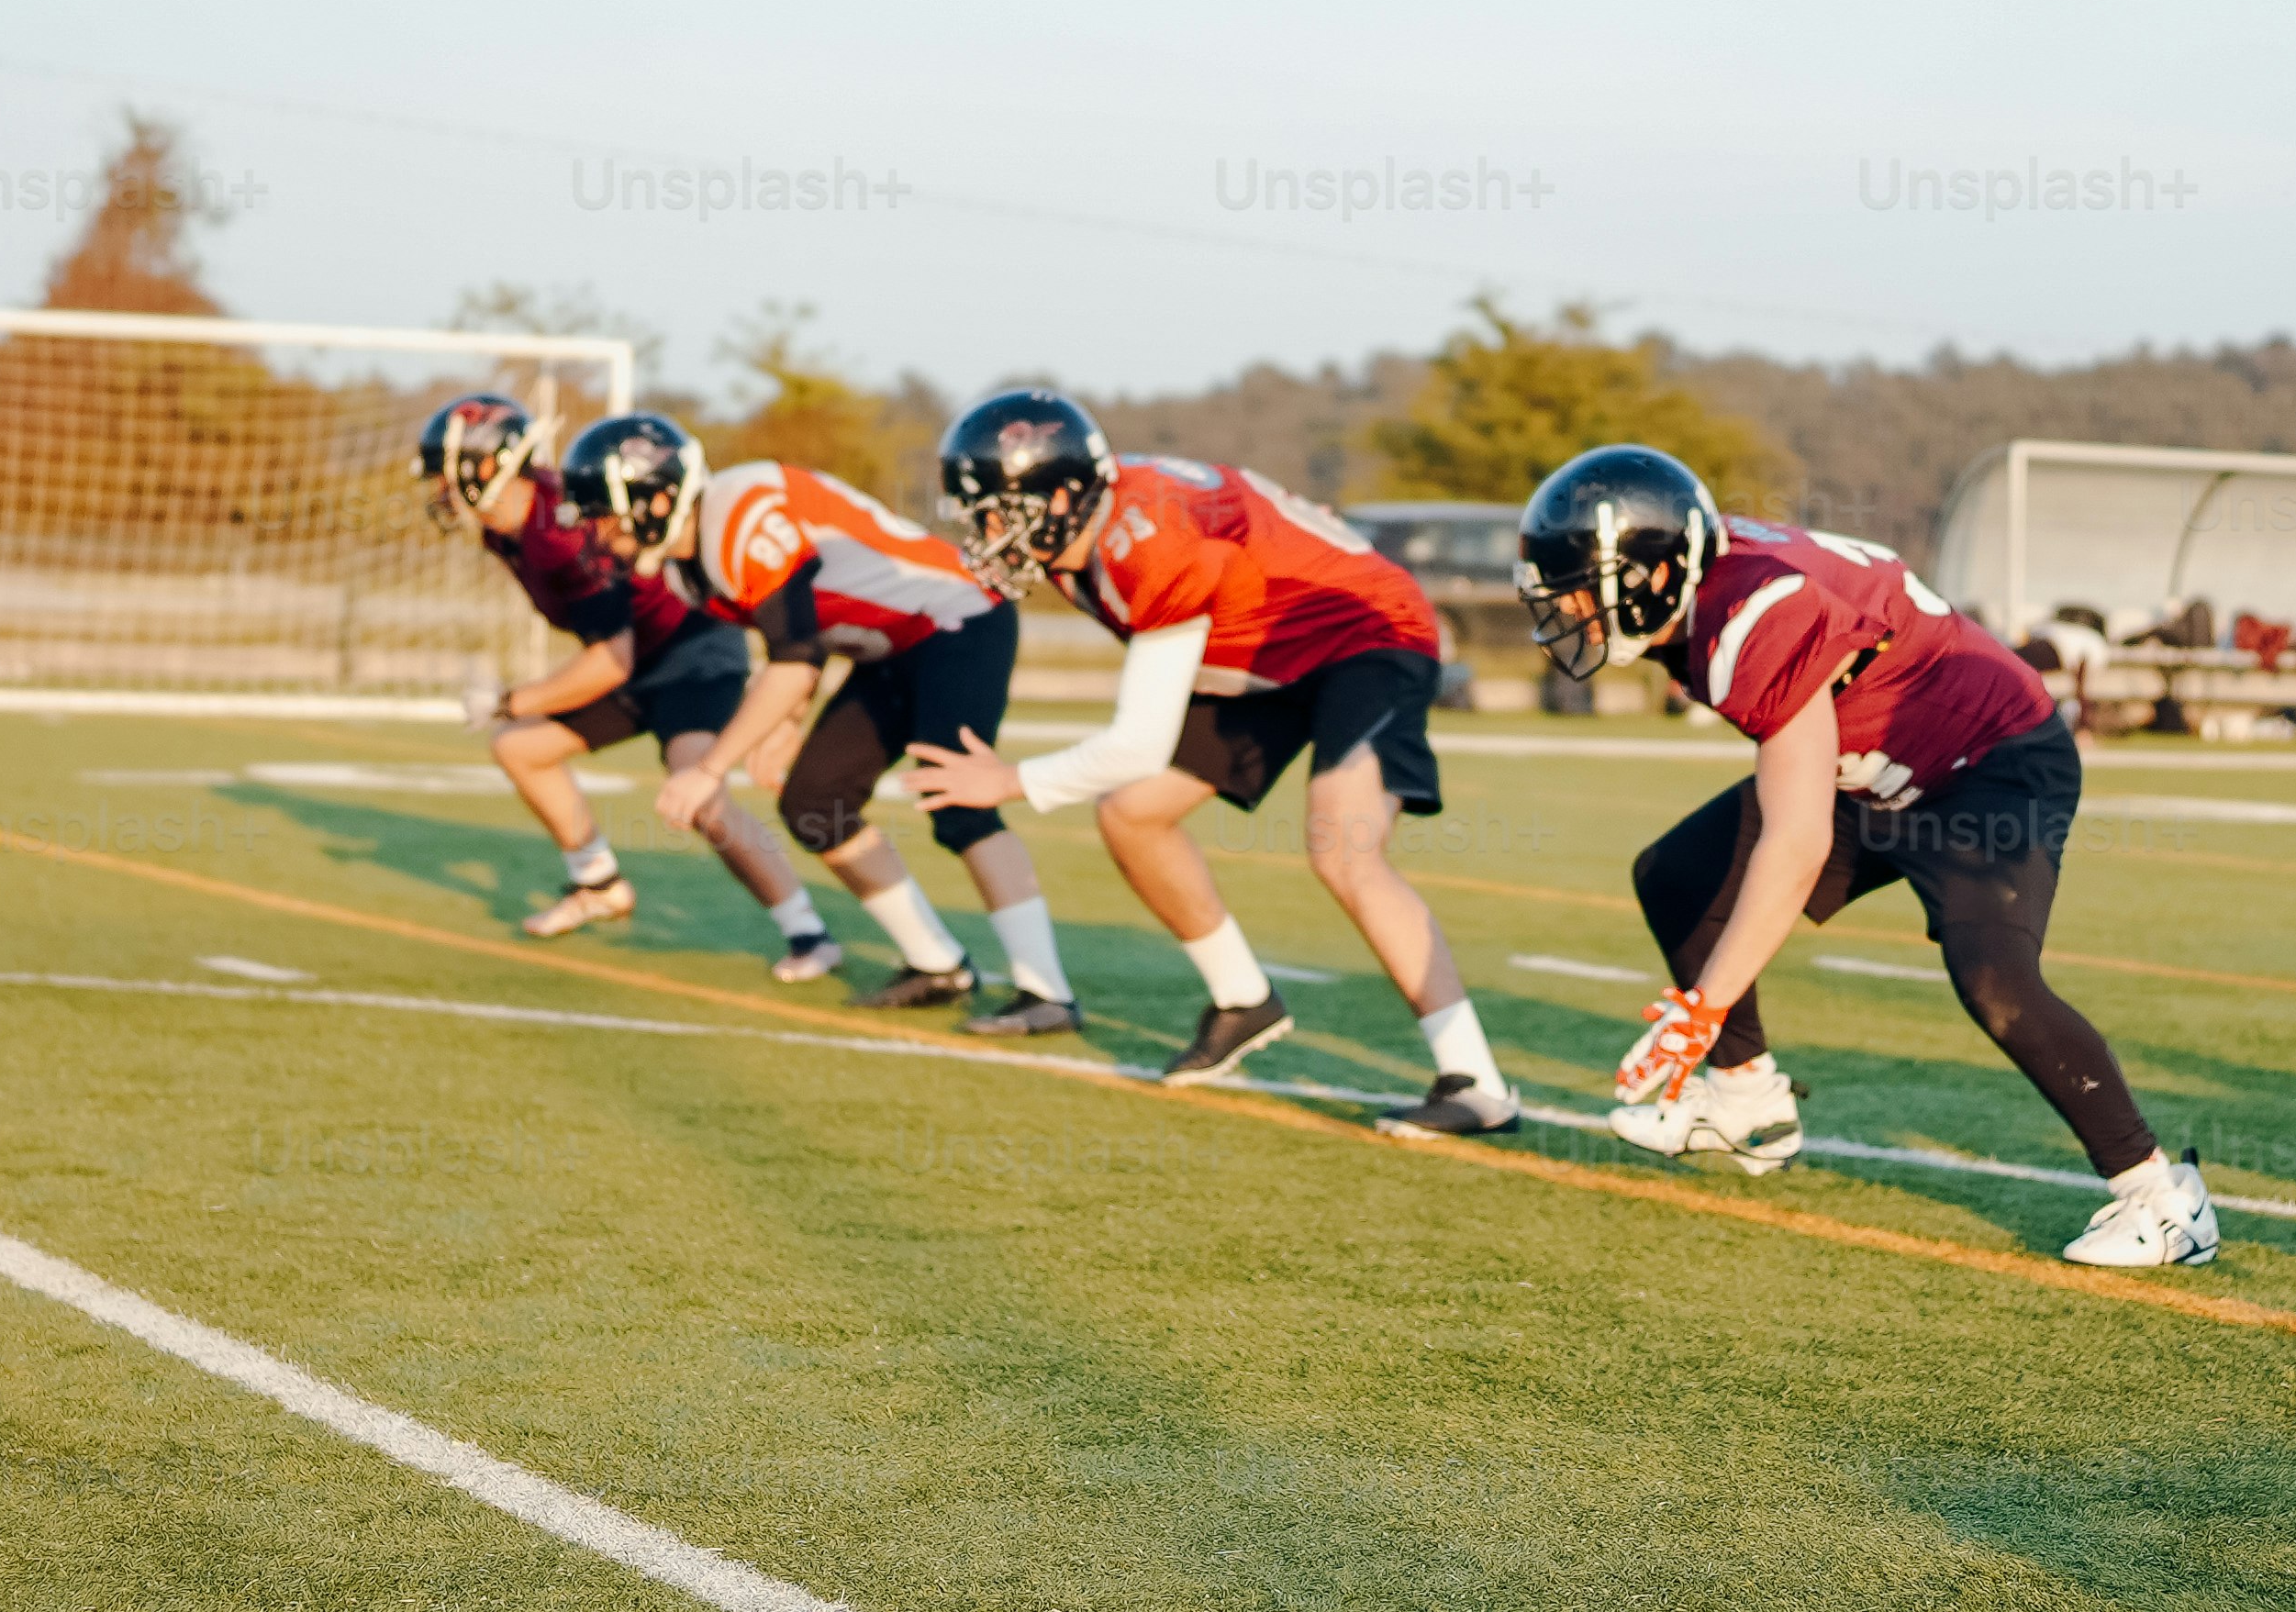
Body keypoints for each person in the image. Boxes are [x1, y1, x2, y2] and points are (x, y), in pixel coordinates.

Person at [1521, 446, 2212, 1268]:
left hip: (1987, 765)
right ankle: (1747, 1104)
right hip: (1872, 760)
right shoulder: (1703, 571)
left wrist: (1703, 1006)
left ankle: (2164, 1201)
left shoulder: (1750, 616)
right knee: (1677, 873)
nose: (1567, 618)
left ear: (1656, 579)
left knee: (1996, 979)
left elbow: (1798, 841)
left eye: (1582, 598)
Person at [896, 391, 1518, 1131]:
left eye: (995, 509)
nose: (985, 530)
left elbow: (1137, 742)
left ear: (1060, 496)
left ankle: (1476, 1082)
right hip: (1259, 652)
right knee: (1133, 813)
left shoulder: (1145, 536)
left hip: (1364, 632)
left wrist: (1009, 781)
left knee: (1343, 847)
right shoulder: (1089, 526)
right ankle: (1243, 1001)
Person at [564, 411, 1080, 1034]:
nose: (592, 531)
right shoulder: (685, 567)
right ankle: (936, 963)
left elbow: (796, 660)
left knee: (958, 800)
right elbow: (802, 631)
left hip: (959, 617)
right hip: (889, 645)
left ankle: (1046, 990)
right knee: (816, 801)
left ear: (652, 499)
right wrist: (788, 717)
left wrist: (708, 768)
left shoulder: (742, 517)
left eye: (601, 513)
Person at [407, 392, 826, 963]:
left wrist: (509, 700)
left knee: (698, 788)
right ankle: (599, 886)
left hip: (691, 651)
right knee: (522, 748)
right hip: (642, 657)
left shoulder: (556, 534)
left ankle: (807, 932)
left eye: (444, 476)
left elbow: (610, 662)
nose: (439, 491)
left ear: (483, 468)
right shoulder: (507, 527)